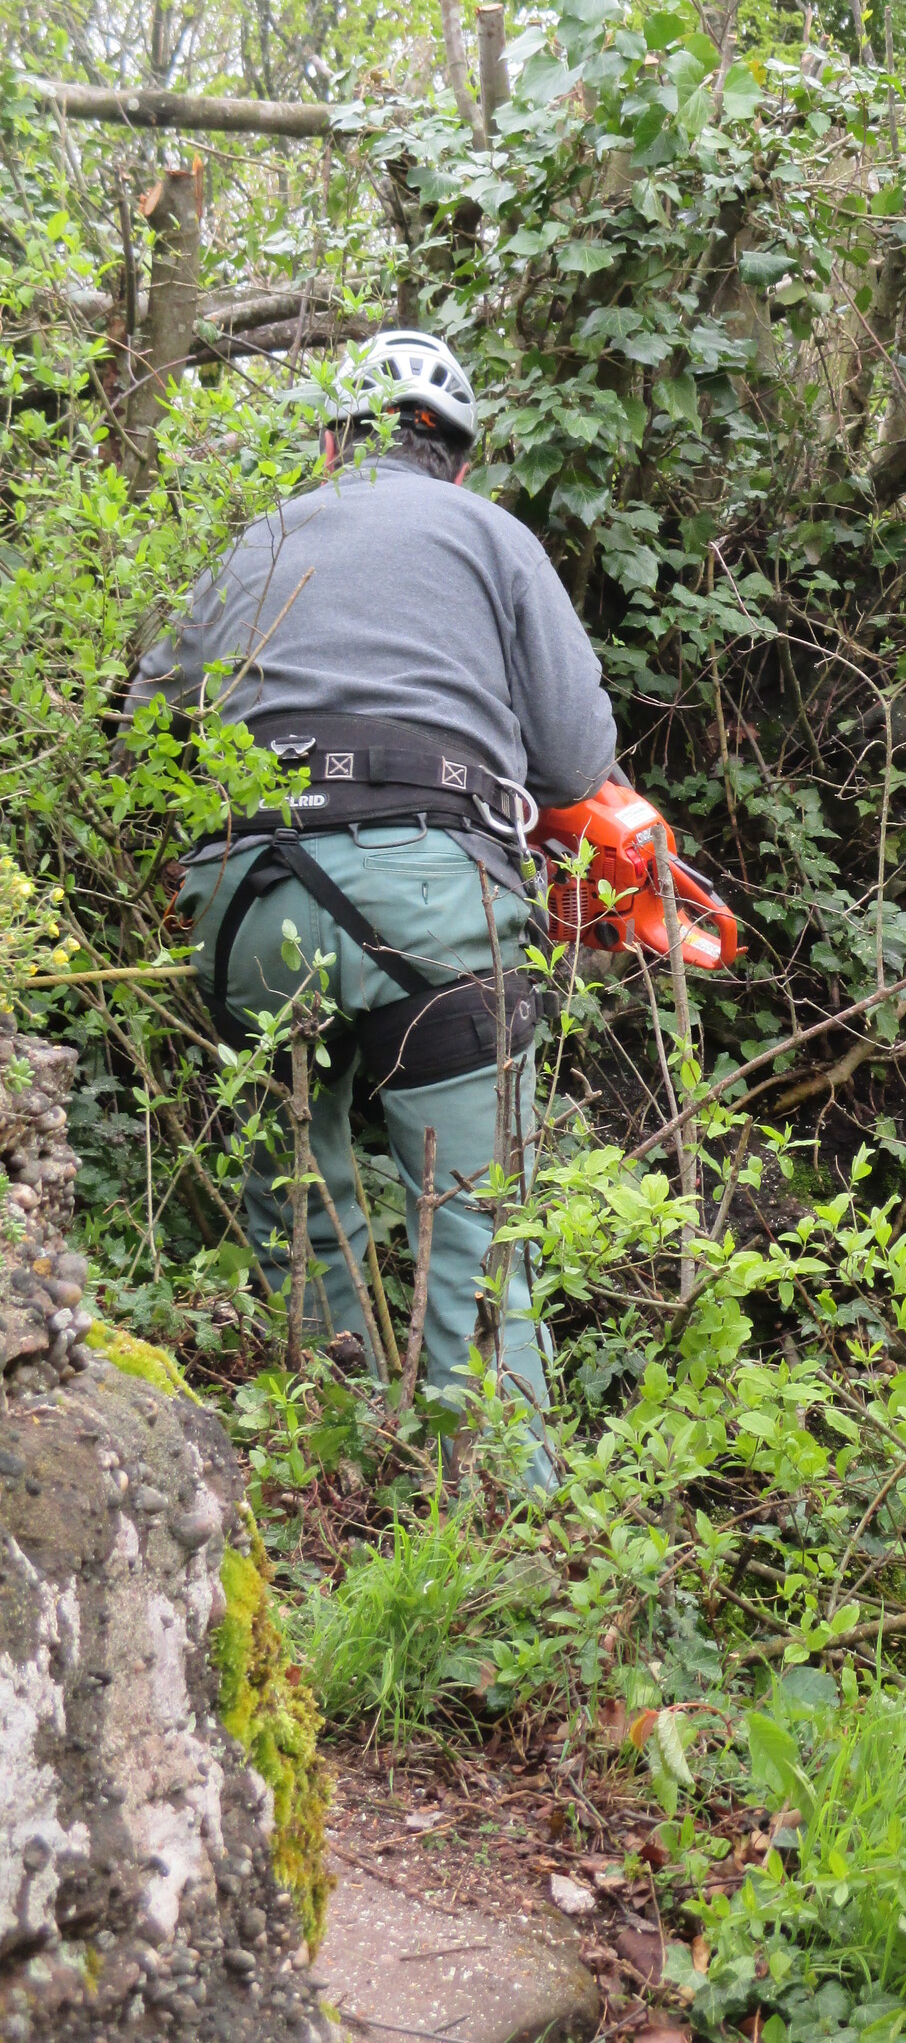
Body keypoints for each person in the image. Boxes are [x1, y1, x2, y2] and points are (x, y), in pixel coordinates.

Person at [127, 330, 615, 1465]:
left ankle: (331, 1482)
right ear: (459, 460)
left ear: (330, 444)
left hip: (250, 896)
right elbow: (575, 760)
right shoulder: (490, 533)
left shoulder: (257, 539)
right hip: (431, 893)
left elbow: (145, 736)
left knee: (298, 1211)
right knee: (477, 1243)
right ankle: (498, 1519)